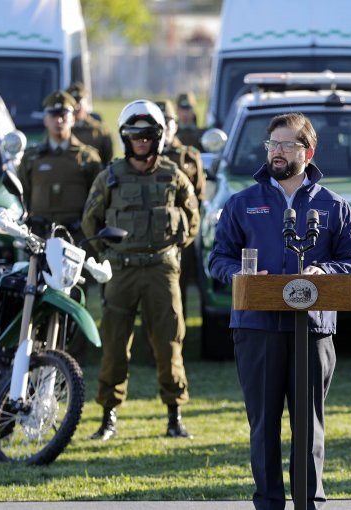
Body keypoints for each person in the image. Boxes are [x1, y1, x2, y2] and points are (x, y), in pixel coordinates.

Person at [208, 112, 351, 510]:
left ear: (307, 151)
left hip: (313, 331)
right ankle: (268, 502)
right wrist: (241, 276)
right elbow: (218, 259)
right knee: (263, 425)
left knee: (308, 424)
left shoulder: (334, 206)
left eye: (286, 145)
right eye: (272, 145)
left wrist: (324, 270)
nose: (276, 152)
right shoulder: (243, 203)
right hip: (256, 328)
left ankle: (308, 502)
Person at [82, 99, 200, 440]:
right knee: (115, 344)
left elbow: (191, 218)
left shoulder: (172, 175)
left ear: (159, 136)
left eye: (147, 134)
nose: (141, 140)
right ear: (124, 137)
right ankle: (108, 417)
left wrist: (172, 251)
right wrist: (110, 255)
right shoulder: (110, 177)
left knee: (169, 344)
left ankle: (174, 417)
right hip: (122, 271)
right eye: (134, 134)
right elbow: (91, 222)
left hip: (163, 270)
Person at [17, 90, 102, 235]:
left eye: (63, 115)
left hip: (77, 236)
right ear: (45, 119)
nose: (59, 121)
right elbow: (23, 195)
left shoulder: (88, 157)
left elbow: (98, 199)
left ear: (73, 119)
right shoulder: (31, 158)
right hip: (41, 237)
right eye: (53, 115)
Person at [156, 99, 206, 318]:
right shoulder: (143, 156)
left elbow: (199, 197)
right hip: (151, 235)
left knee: (179, 289)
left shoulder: (189, 156)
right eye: (160, 123)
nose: (165, 128)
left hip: (179, 235)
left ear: (175, 124)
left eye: (169, 122)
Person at [66, 81, 114, 163]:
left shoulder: (100, 132)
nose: (76, 107)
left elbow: (107, 161)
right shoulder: (59, 129)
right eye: (72, 103)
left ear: (86, 103)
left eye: (79, 102)